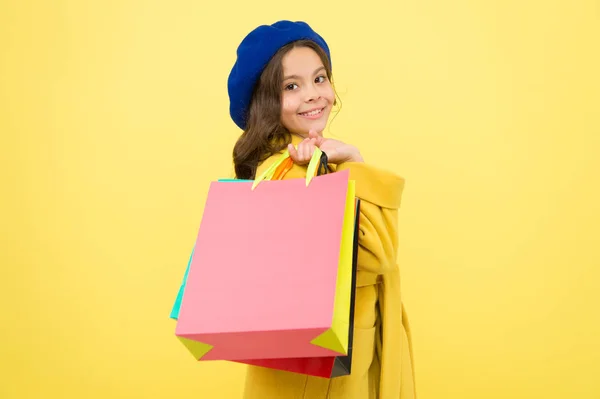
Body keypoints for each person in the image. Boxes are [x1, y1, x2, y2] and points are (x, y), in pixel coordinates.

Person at [227, 20, 416, 398]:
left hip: (313, 369)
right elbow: (379, 257)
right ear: (265, 102)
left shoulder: (301, 165)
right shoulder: (295, 174)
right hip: (323, 376)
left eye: (320, 78)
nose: (314, 94)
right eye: (291, 86)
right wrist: (357, 163)